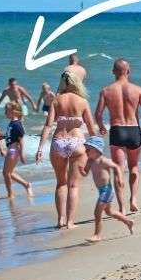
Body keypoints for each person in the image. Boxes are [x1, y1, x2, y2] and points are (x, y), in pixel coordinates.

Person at [95, 58, 141, 213]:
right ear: (128, 72)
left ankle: (122, 207)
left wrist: (102, 127)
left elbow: (98, 114)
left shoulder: (106, 91)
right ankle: (134, 199)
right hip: (133, 131)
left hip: (117, 131)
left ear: (113, 72)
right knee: (134, 167)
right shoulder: (137, 90)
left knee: (118, 170)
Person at [36, 70, 97, 229]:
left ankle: (60, 220)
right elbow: (91, 128)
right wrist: (95, 148)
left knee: (61, 183)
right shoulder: (82, 101)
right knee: (73, 185)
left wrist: (40, 148)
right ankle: (70, 222)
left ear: (62, 83)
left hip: (58, 142)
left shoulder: (56, 100)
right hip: (77, 143)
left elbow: (48, 125)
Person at [79, 136, 133, 242]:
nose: (85, 152)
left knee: (97, 212)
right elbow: (85, 173)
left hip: (107, 190)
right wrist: (82, 172)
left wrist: (120, 179)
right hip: (101, 191)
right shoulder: (90, 161)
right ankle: (128, 222)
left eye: (88, 149)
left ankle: (97, 235)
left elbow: (116, 167)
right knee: (109, 212)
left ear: (96, 149)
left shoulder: (103, 160)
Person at [2, 101, 33, 198]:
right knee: (8, 173)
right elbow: (10, 137)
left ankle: (10, 194)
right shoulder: (12, 123)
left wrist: (21, 154)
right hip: (11, 150)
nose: (5, 113)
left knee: (6, 173)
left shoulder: (17, 124)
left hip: (14, 150)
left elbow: (21, 140)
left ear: (14, 112)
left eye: (7, 111)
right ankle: (26, 185)